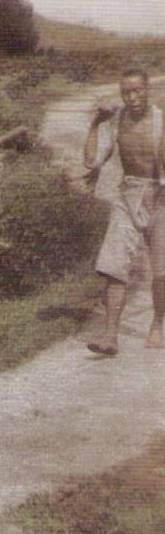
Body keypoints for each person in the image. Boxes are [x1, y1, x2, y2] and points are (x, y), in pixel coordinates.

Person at [84, 68, 165, 355]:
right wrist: (96, 122)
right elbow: (92, 160)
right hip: (128, 195)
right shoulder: (116, 122)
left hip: (161, 197)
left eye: (137, 91)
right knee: (114, 265)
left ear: (147, 91)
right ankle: (110, 337)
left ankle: (158, 322)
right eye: (126, 93)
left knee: (161, 271)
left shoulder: (160, 121)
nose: (132, 98)